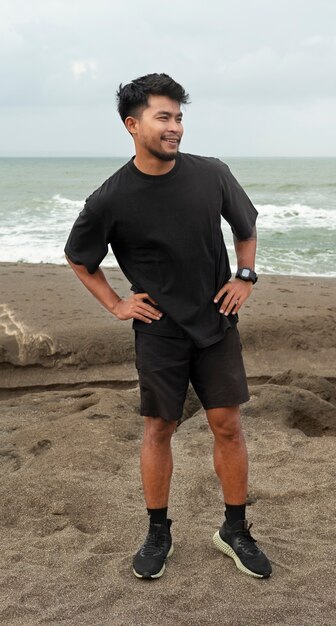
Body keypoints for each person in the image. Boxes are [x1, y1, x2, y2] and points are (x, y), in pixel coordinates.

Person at [64, 73, 271, 580]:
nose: (175, 127)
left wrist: (244, 277)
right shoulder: (110, 198)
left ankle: (235, 530)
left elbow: (245, 230)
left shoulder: (212, 174)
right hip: (159, 331)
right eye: (164, 117)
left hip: (217, 323)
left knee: (228, 425)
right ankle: (159, 531)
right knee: (160, 428)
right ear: (132, 125)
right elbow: (79, 258)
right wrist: (115, 304)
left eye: (179, 117)